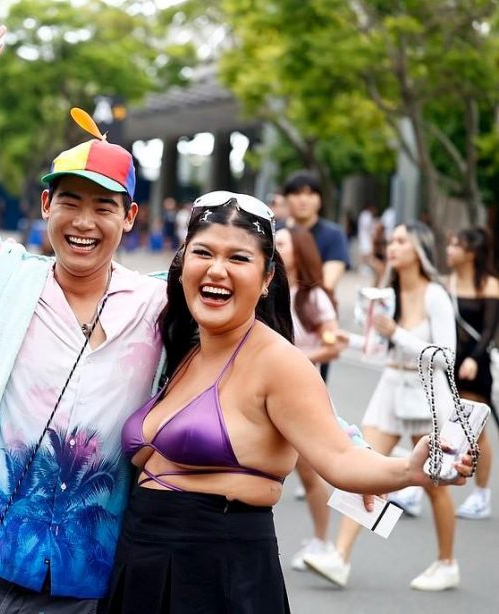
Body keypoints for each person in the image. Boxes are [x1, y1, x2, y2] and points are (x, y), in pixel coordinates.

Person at [0, 13, 175, 612]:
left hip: (90, 592)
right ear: (46, 204)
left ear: (130, 218)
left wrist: (351, 454)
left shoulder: (159, 308)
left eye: (104, 207)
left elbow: (247, 365)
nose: (83, 221)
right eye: (70, 201)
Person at [103, 195, 470, 613]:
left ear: (267, 278)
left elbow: (339, 457)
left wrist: (406, 470)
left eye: (238, 258)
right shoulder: (178, 347)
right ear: (182, 262)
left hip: (216, 575)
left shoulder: (279, 362)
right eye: (203, 253)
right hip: (138, 567)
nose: (217, 269)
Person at [304, 221, 463, 591]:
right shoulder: (388, 292)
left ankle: (447, 563)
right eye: (392, 240)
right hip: (391, 387)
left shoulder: (436, 295)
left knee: (435, 484)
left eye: (402, 241)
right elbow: (383, 348)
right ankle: (340, 557)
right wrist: (351, 339)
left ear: (420, 250)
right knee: (363, 466)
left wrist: (398, 334)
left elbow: (446, 357)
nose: (393, 246)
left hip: (427, 395)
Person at [275, 224, 345, 570]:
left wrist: (298, 358)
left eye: (282, 243)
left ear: (299, 251)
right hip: (267, 392)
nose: (275, 246)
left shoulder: (313, 297)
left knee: (309, 473)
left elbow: (333, 346)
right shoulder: (267, 290)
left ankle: (322, 540)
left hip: (303, 396)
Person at [446, 227, 498, 520]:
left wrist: (475, 359)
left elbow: (488, 331)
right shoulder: (448, 282)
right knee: (441, 423)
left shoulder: (489, 285)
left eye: (456, 245)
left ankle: (481, 495)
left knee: (476, 431)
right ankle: (422, 484)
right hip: (450, 362)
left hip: (475, 365)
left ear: (471, 253)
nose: (450, 249)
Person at [282, 171, 349, 381]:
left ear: (319, 200)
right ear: (286, 199)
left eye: (310, 194)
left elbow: (328, 280)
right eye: (296, 193)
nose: (303, 199)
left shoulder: (333, 235)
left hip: (312, 319)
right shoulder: (276, 232)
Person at [357, 203, 377, 274]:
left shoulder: (364, 214)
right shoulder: (366, 215)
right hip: (365, 236)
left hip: (365, 236)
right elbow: (368, 226)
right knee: (365, 252)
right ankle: (362, 267)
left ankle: (364, 267)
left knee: (365, 252)